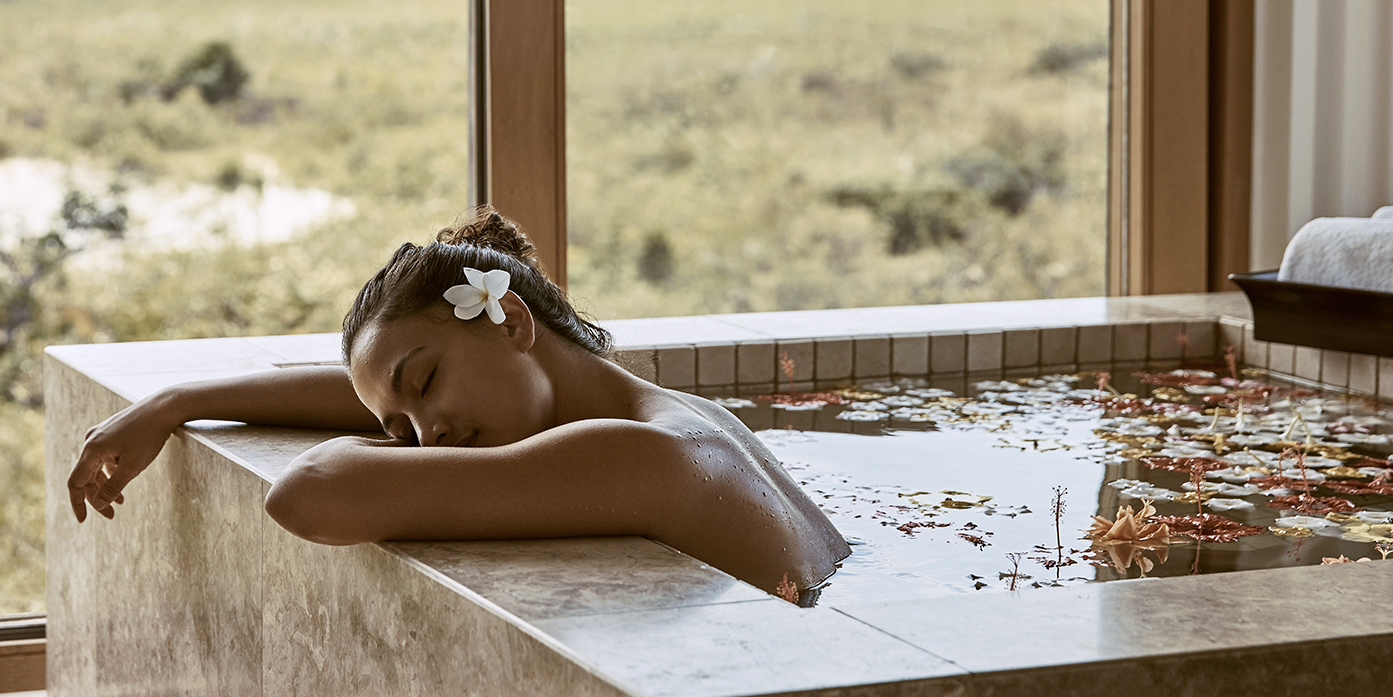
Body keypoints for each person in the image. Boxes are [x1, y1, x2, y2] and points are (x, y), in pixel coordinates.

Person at [65, 208, 850, 604]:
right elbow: (381, 402)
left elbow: (309, 497)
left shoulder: (639, 456)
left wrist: (387, 445)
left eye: (426, 382)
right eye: (397, 428)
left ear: (510, 321)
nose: (424, 437)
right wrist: (176, 400)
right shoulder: (678, 417)